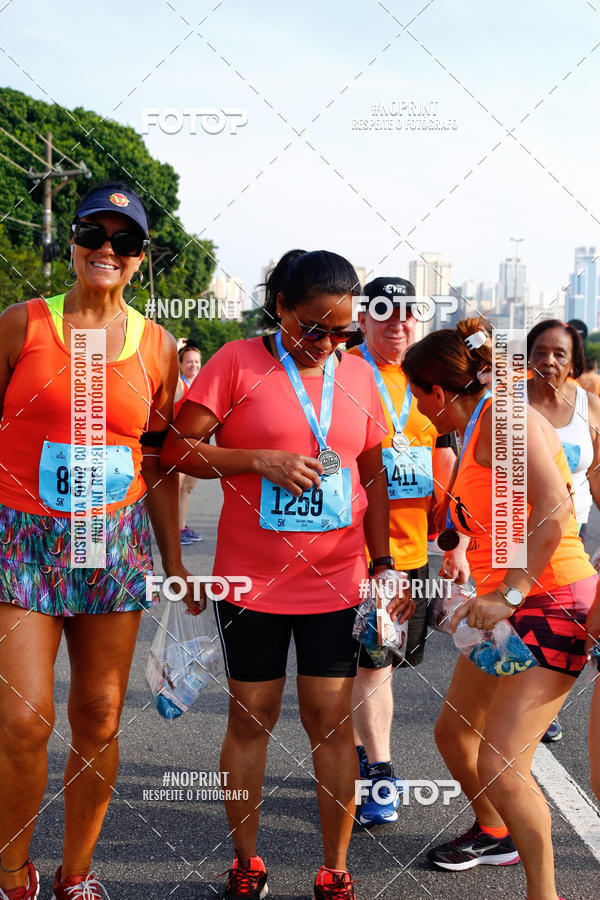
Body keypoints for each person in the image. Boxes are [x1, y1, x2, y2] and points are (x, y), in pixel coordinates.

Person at [162, 249, 414, 900]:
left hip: (336, 577)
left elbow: (374, 473)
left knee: (329, 720)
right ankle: (247, 862)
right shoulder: (236, 362)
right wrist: (257, 460)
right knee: (253, 716)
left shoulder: (358, 375)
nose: (329, 344)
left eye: (344, 332)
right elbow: (177, 449)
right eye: (315, 329)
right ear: (280, 310)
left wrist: (384, 563)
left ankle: (334, 868)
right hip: (252, 578)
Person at [0, 181, 191, 900]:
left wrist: (175, 564)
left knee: (100, 716)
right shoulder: (22, 324)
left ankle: (76, 873)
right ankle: (12, 873)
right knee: (23, 719)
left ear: (142, 259)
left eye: (126, 241)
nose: (106, 250)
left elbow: (161, 461)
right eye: (93, 235)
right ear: (72, 242)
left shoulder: (159, 346)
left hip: (111, 547)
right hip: (23, 542)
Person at [402, 318, 596, 900]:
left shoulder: (504, 418)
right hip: (509, 606)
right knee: (455, 733)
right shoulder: (484, 420)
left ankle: (545, 894)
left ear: (437, 392)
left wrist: (507, 592)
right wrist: (465, 559)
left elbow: (557, 511)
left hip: (551, 599)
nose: (417, 408)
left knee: (503, 764)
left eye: (416, 395)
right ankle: (495, 833)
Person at [347, 277, 467, 826]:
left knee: (383, 665)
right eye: (384, 312)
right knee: (372, 665)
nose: (398, 321)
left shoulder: (430, 377)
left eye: (409, 312)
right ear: (363, 319)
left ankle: (356, 753)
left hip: (414, 549)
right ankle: (379, 771)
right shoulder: (341, 371)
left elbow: (446, 454)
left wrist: (454, 539)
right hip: (357, 553)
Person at [174, 340, 203, 545]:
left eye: (197, 361)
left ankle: (181, 526)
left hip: (196, 445)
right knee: (176, 489)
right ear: (181, 364)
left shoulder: (201, 384)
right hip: (178, 444)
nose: (193, 365)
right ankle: (174, 530)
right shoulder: (179, 384)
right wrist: (175, 349)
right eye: (189, 361)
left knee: (188, 489)